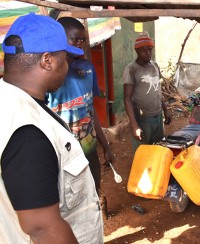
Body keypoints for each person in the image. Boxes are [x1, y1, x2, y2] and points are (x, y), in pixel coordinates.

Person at [0, 13, 103, 243]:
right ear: (48, 61)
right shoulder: (28, 132)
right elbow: (43, 229)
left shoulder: (9, 101)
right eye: (65, 58)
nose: (67, 66)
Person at [46, 17, 113, 208]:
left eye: (83, 40)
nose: (80, 44)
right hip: (63, 154)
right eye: (74, 39)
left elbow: (90, 110)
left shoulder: (87, 69)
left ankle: (98, 213)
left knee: (93, 188)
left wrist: (106, 147)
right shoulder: (49, 76)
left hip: (88, 149)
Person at [123, 32, 171, 155]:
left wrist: (165, 110)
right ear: (137, 50)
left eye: (150, 49)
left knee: (158, 149)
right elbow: (127, 98)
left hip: (157, 115)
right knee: (143, 152)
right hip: (142, 118)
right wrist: (134, 125)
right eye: (144, 50)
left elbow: (158, 90)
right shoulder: (131, 69)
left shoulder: (154, 65)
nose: (148, 52)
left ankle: (156, 173)